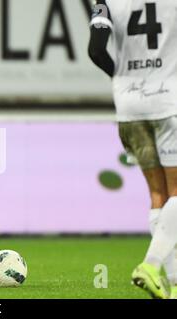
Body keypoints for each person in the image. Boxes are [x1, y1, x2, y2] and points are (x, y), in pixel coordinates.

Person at [89, 0, 177, 299]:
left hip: (129, 104)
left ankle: (174, 285)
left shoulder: (106, 3)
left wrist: (121, 80)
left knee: (158, 195)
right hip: (168, 101)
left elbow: (96, 50)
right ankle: (151, 266)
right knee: (176, 192)